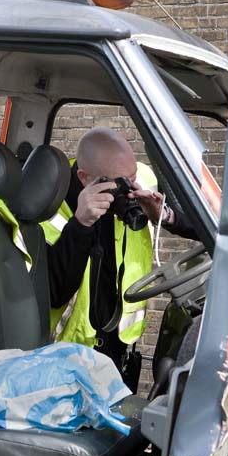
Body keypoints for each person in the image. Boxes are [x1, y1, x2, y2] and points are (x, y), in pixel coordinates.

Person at [43, 127, 196, 371]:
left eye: (132, 176)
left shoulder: (142, 181)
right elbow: (54, 292)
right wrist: (81, 223)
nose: (131, 188)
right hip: (67, 357)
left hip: (118, 349)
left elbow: (206, 223)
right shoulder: (51, 205)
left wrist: (163, 215)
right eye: (120, 183)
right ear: (85, 178)